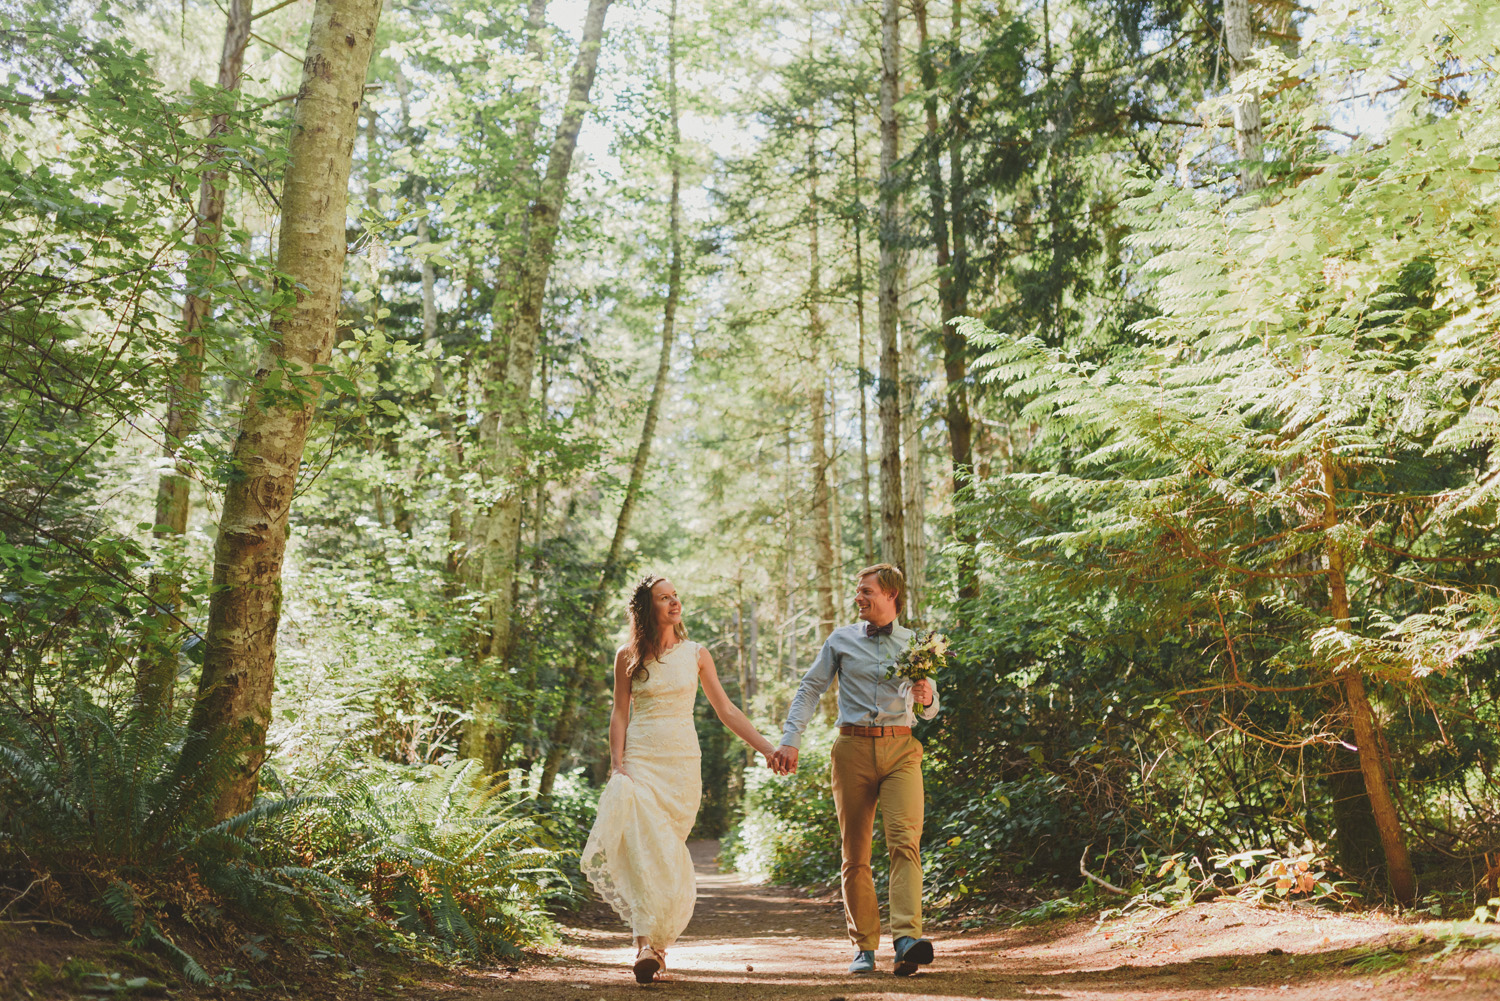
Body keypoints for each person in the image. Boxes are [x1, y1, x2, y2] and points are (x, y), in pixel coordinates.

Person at [581, 574, 779, 984]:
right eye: (663, 598)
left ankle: (659, 944)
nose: (674, 603)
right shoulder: (627, 656)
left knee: (667, 851)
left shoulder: (697, 654)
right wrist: (617, 763)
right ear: (646, 608)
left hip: (682, 764)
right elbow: (620, 712)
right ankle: (645, 947)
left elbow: (726, 711)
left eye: (675, 596)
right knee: (641, 850)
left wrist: (767, 749)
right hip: (639, 761)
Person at [770, 563, 939, 977]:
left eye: (866, 591)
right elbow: (811, 687)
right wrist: (791, 738)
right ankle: (864, 947)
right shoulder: (840, 640)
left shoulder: (919, 643)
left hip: (902, 749)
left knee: (905, 842)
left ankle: (906, 941)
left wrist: (927, 694)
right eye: (857, 591)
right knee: (855, 853)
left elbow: (932, 710)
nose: (858, 598)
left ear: (891, 595)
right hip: (852, 750)